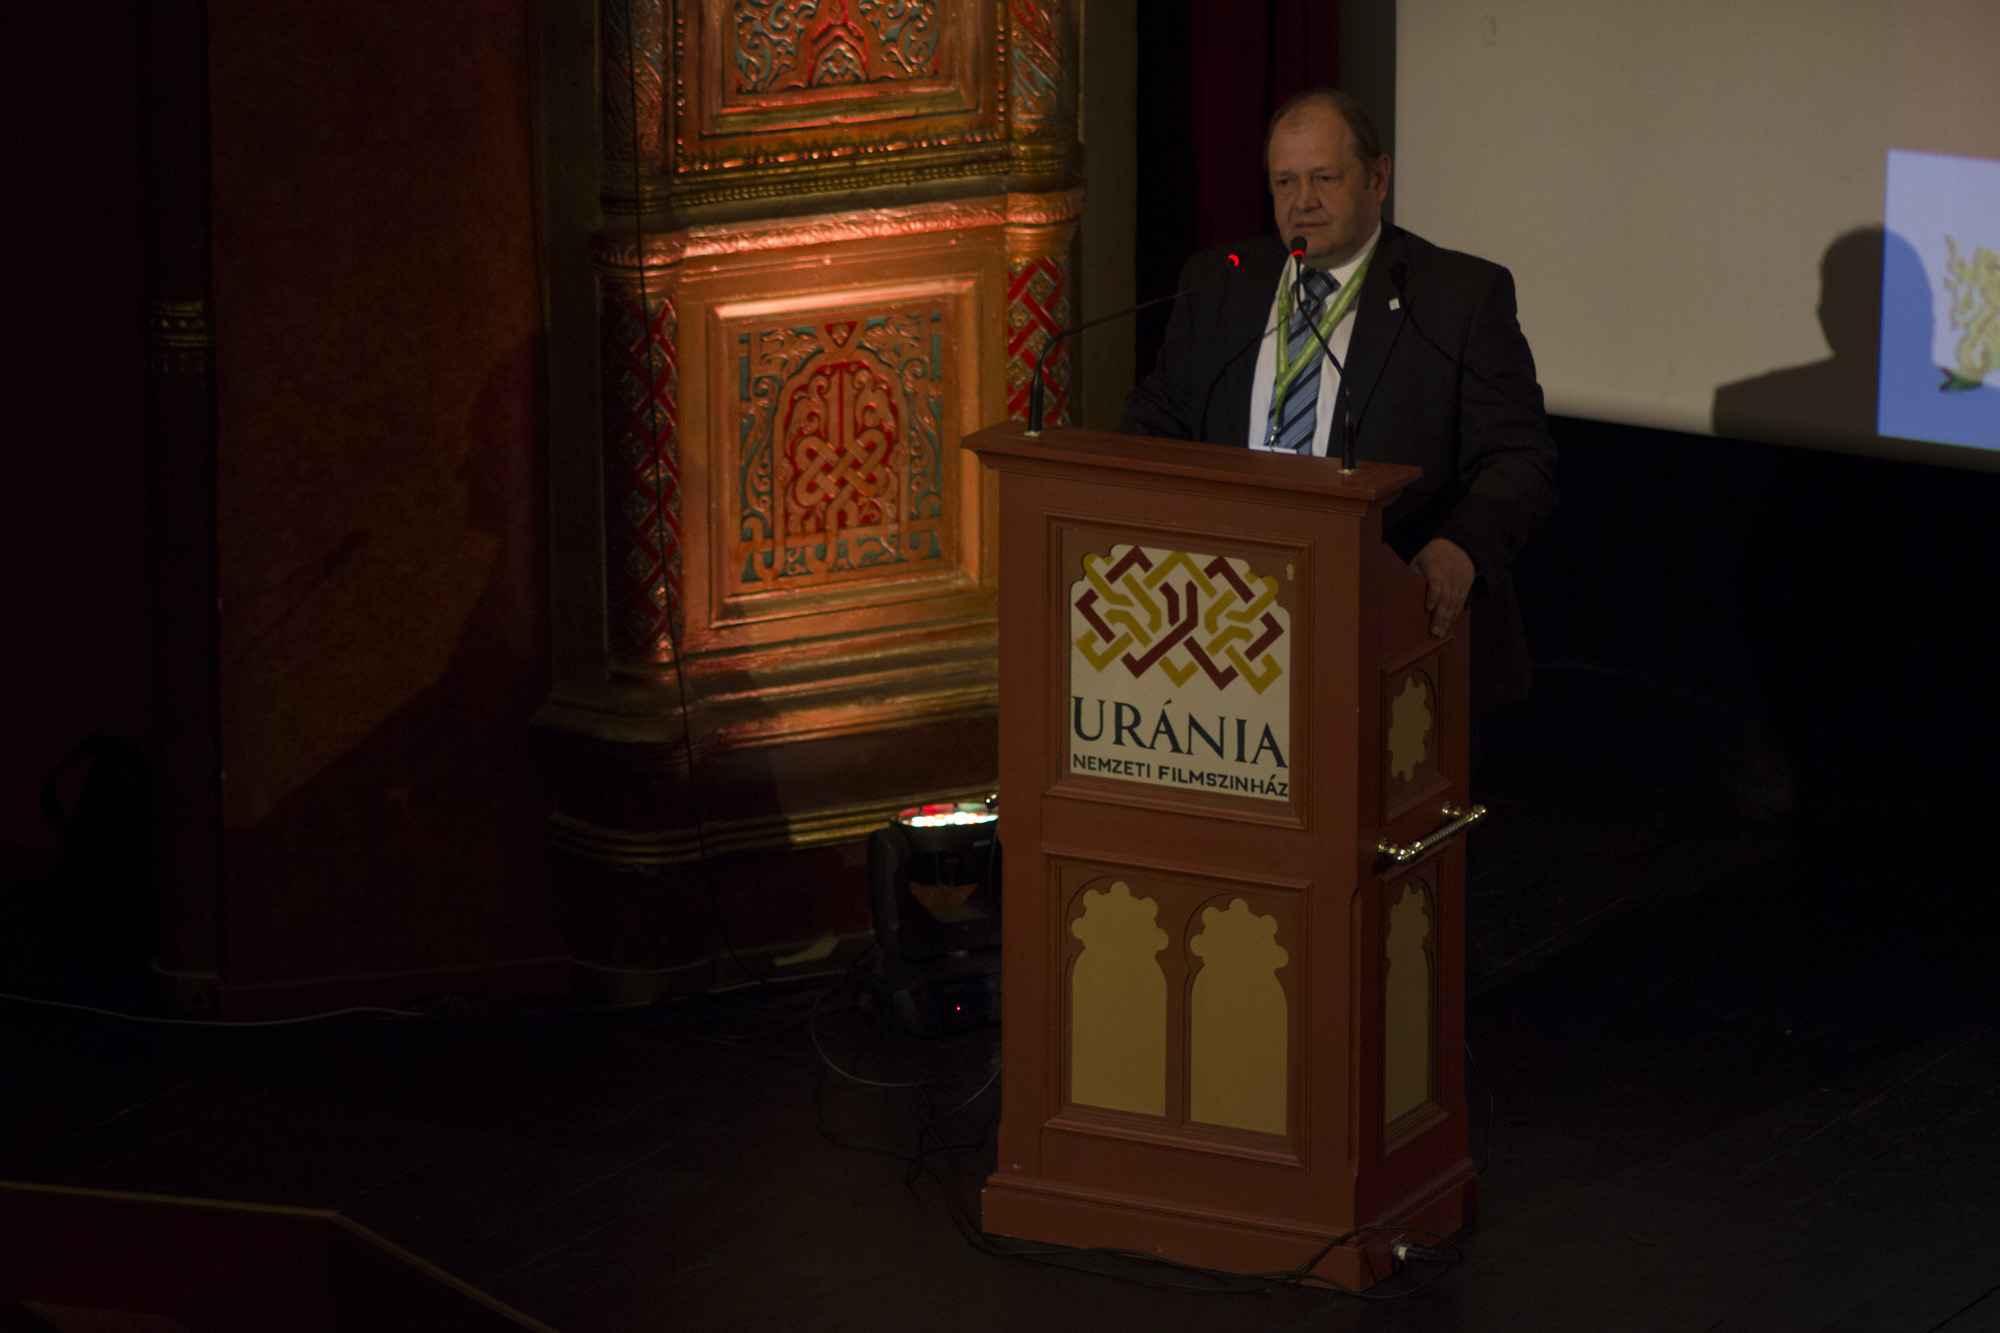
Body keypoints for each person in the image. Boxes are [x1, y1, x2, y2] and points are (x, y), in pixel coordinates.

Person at [1120, 89, 1557, 712]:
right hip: (1221, 624)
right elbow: (1154, 423)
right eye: (1285, 182)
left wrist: (1460, 547)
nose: (1303, 201)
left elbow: (1519, 458)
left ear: (1378, 178)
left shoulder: (1455, 296)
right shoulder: (1217, 284)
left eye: (1325, 178)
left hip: (1395, 628)